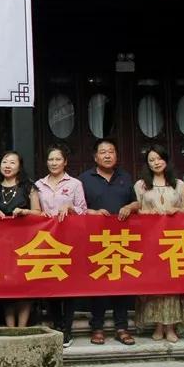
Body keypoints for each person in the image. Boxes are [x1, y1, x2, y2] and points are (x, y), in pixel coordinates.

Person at [77, 138, 139, 347]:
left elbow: (136, 202)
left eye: (111, 151)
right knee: (99, 285)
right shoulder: (84, 179)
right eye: (103, 152)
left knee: (121, 284)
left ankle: (122, 327)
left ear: (116, 155)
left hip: (121, 240)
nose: (107, 155)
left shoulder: (125, 177)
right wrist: (92, 212)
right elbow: (77, 207)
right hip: (95, 240)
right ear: (95, 157)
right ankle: (97, 327)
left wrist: (129, 207)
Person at [133, 145, 184, 343]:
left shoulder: (179, 184)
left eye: (159, 158)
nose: (156, 163)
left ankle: (171, 327)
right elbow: (137, 210)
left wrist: (177, 211)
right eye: (151, 160)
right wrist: (147, 213)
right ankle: (158, 325)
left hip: (174, 240)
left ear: (166, 160)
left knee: (173, 284)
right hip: (151, 240)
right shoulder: (141, 185)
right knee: (155, 283)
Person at [34, 144, 87, 348]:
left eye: (58, 159)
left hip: (69, 241)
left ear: (65, 162)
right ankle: (57, 324)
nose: (54, 163)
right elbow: (35, 211)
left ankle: (67, 327)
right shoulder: (39, 185)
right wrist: (41, 214)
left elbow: (84, 211)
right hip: (46, 241)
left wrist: (70, 207)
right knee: (51, 284)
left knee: (69, 285)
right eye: (51, 159)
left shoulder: (75, 184)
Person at [0, 150, 42, 327]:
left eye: (12, 162)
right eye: (5, 162)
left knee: (24, 285)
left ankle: (22, 327)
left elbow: (39, 213)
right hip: (2, 244)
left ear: (20, 166)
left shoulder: (29, 187)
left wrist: (25, 211)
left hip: (25, 242)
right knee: (7, 285)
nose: (8, 166)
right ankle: (10, 327)